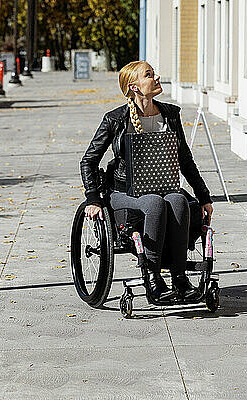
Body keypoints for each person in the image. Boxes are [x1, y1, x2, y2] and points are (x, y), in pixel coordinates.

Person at [80, 60, 213, 301]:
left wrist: (204, 196)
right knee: (153, 203)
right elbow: (88, 161)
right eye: (149, 75)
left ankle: (180, 279)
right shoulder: (115, 120)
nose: (157, 77)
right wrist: (93, 198)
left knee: (178, 200)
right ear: (135, 87)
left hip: (164, 187)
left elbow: (185, 160)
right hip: (124, 193)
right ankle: (152, 279)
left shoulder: (170, 115)